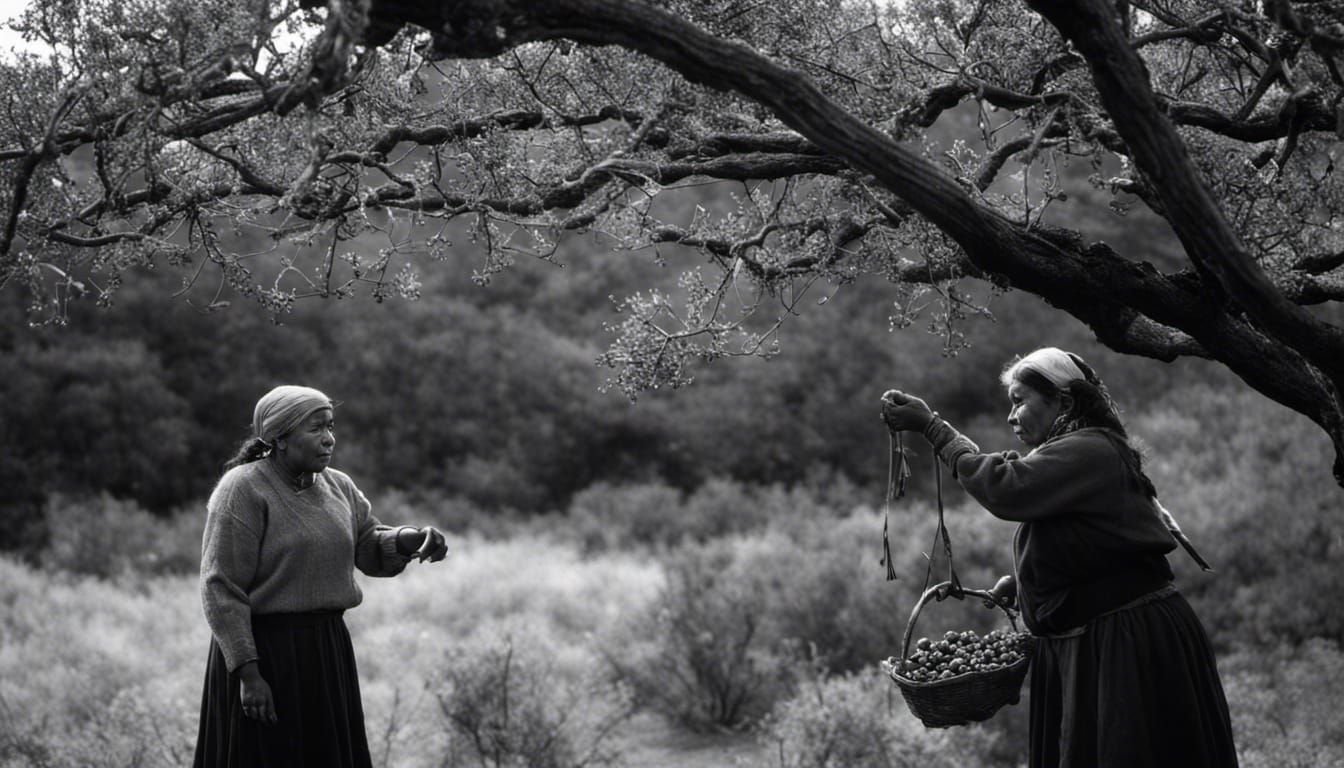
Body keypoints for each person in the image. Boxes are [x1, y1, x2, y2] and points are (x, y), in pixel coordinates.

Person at [881, 347, 1237, 768]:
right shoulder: (1078, 452)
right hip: (1098, 641)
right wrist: (1027, 582)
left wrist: (934, 429)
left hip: (1127, 642)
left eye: (1019, 401)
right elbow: (1091, 542)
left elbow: (1006, 488)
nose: (1011, 417)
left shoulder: (1091, 450)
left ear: (1064, 403)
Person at [193, 385, 449, 768]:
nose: (329, 438)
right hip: (265, 655)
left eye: (330, 426)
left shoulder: (338, 485)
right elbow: (220, 587)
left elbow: (367, 544)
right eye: (315, 429)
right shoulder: (243, 489)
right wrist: (248, 674)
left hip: (325, 651)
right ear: (278, 437)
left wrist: (410, 538)